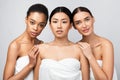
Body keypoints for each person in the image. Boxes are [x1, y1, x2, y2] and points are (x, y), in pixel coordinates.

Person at [34, 6, 89, 80]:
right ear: (50, 25)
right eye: (55, 21)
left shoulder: (80, 49)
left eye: (64, 22)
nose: (59, 26)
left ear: (70, 25)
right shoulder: (40, 49)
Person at [3, 3, 48, 80]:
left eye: (41, 25)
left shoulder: (41, 44)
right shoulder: (16, 45)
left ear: (45, 25)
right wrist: (30, 65)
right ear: (26, 20)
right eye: (32, 22)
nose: (36, 28)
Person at [72, 6, 118, 80]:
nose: (84, 25)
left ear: (93, 19)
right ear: (74, 26)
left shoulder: (106, 45)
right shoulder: (76, 47)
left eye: (87, 19)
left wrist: (90, 56)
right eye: (78, 23)